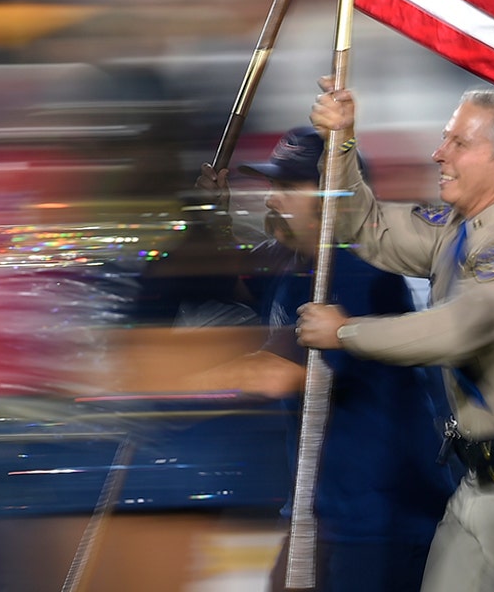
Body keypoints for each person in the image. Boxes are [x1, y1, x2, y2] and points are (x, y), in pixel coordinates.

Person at [296, 82, 494, 592]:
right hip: (483, 479)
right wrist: (342, 143)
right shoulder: (462, 227)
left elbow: (456, 331)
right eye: (445, 138)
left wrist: (345, 332)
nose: (440, 154)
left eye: (460, 143)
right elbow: (361, 224)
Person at [192, 126, 456, 592]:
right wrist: (213, 220)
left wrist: (167, 384)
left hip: (381, 519)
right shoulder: (290, 259)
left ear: (334, 197)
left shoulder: (362, 269)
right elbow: (230, 278)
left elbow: (282, 376)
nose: (272, 199)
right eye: (273, 186)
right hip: (325, 510)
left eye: (288, 187)